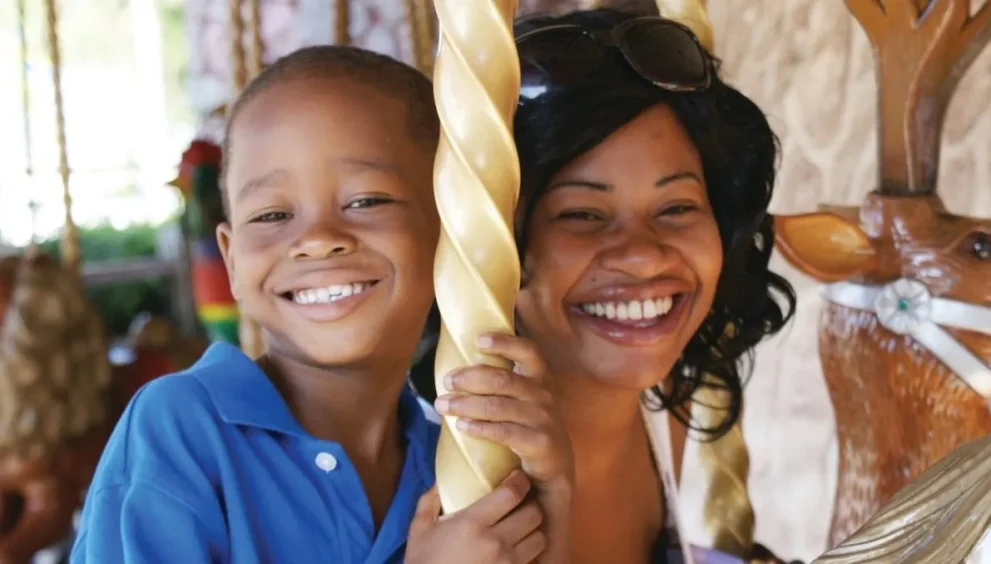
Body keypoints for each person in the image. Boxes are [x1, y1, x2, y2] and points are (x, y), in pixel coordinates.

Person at [70, 45, 572, 564]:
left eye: (365, 201)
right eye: (270, 215)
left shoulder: (452, 465)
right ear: (232, 259)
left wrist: (551, 498)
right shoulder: (182, 429)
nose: (317, 239)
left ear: (450, 234)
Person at [412, 8, 798, 563]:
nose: (642, 256)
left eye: (677, 207)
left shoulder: (671, 420)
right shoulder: (423, 468)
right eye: (582, 215)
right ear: (497, 238)